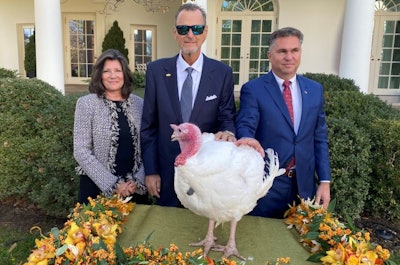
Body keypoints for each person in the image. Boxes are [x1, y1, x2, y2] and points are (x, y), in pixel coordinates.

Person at [141, 3, 236, 207]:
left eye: (197, 28)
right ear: (175, 32)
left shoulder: (222, 73)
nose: (190, 34)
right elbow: (149, 127)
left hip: (205, 174)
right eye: (184, 29)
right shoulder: (156, 71)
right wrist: (151, 170)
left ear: (206, 32)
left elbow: (226, 117)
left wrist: (228, 131)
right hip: (166, 174)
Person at [235, 27, 331, 218]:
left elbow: (319, 138)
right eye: (282, 51)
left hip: (304, 186)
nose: (289, 57)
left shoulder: (314, 90)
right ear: (270, 55)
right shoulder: (253, 90)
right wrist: (246, 138)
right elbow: (246, 124)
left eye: (294, 50)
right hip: (267, 186)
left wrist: (325, 181)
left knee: (300, 243)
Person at [73, 49, 147, 204]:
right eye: (107, 71)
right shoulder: (87, 104)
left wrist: (138, 181)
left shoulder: (139, 104)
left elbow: (148, 144)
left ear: (125, 74)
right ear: (100, 75)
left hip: (133, 191)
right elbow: (81, 150)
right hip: (96, 190)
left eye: (118, 70)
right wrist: (113, 184)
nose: (113, 76)